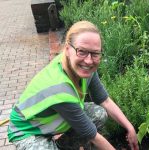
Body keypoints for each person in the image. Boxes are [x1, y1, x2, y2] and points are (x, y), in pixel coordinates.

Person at [8, 21, 139, 150]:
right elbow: (92, 135)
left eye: (95, 53)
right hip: (28, 130)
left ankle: (61, 146)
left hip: (50, 120)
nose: (88, 60)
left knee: (99, 114)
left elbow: (104, 100)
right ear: (67, 49)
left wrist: (130, 128)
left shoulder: (84, 69)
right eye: (81, 51)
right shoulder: (59, 88)